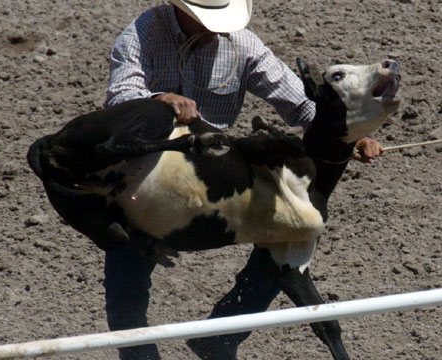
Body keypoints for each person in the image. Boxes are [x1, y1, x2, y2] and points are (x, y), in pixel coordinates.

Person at [103, 1, 384, 359]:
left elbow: (301, 104)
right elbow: (120, 96)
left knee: (286, 231)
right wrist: (159, 100)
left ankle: (221, 337)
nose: (214, 27)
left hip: (214, 174)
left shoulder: (243, 45)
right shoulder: (142, 33)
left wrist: (350, 134)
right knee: (127, 280)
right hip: (144, 174)